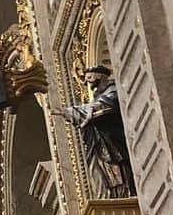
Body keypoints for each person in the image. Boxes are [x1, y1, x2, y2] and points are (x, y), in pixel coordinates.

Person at [52, 65, 135, 197]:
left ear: (99, 75)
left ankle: (125, 194)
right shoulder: (98, 96)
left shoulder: (113, 91)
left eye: (89, 77)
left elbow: (103, 107)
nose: (87, 82)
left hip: (114, 144)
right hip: (102, 147)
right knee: (105, 176)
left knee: (120, 177)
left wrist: (69, 111)